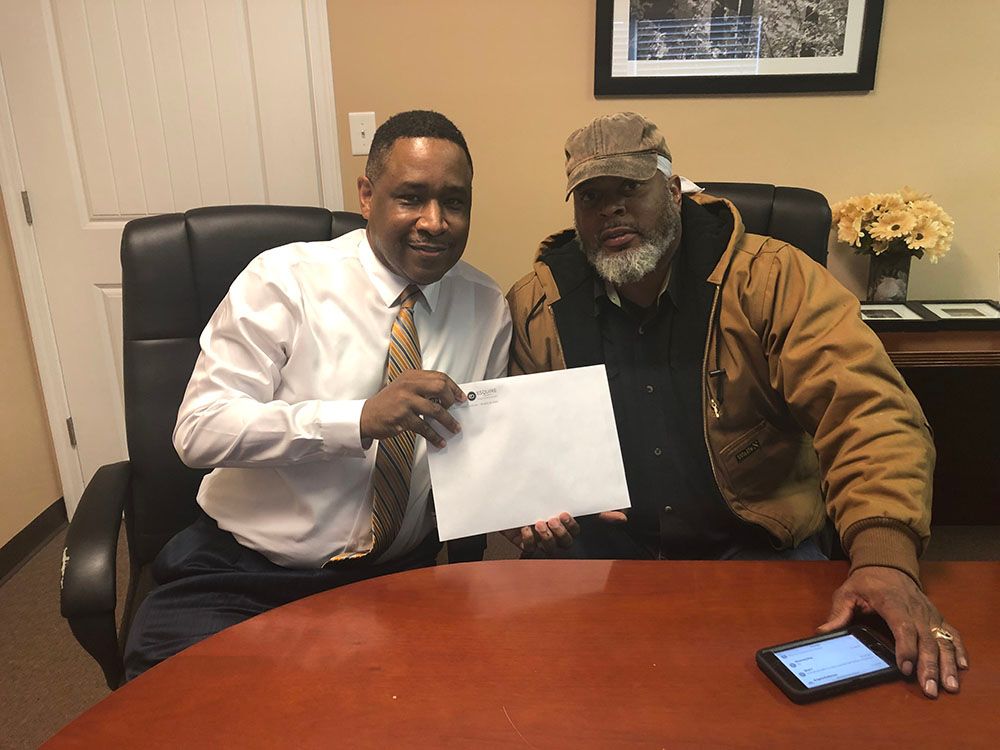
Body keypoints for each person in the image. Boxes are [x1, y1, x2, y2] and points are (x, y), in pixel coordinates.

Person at [504, 112, 966, 699]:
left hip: (757, 542)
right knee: (552, 697)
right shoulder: (539, 303)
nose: (611, 210)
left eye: (631, 189)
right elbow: (526, 448)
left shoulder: (773, 279)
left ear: (673, 191)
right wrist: (534, 504)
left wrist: (884, 558)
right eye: (591, 196)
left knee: (816, 709)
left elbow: (869, 414)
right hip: (608, 555)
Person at [123, 110, 511, 679]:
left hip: (398, 575)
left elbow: (477, 455)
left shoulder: (486, 306)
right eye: (410, 198)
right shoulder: (283, 280)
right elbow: (199, 430)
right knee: (177, 707)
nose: (435, 221)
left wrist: (530, 508)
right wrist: (356, 419)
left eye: (455, 202)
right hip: (245, 573)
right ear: (367, 194)